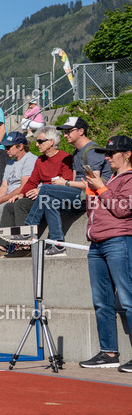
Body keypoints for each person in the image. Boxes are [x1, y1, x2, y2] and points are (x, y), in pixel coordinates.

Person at [21, 116, 112, 257]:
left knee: (45, 189)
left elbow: (95, 184)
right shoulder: (77, 153)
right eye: (64, 132)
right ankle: (57, 245)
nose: (65, 135)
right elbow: (77, 181)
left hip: (93, 198)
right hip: (80, 196)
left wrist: (66, 183)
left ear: (81, 131)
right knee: (48, 200)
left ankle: (28, 231)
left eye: (69, 131)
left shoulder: (93, 151)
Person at [79, 135, 132, 371]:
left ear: (128, 154)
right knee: (102, 302)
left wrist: (100, 187)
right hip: (98, 243)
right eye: (106, 154)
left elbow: (122, 210)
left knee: (129, 300)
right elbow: (99, 210)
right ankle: (109, 352)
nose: (107, 157)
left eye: (112, 153)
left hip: (119, 240)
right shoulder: (110, 179)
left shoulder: (129, 179)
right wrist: (94, 191)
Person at [0, 126, 75, 258]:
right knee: (10, 205)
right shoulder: (40, 160)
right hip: (40, 196)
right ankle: (1, 246)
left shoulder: (65, 158)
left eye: (40, 141)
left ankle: (26, 245)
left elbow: (67, 182)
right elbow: (32, 181)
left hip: (53, 198)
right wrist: (21, 194)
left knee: (20, 205)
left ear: (51, 142)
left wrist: (42, 191)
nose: (37, 144)